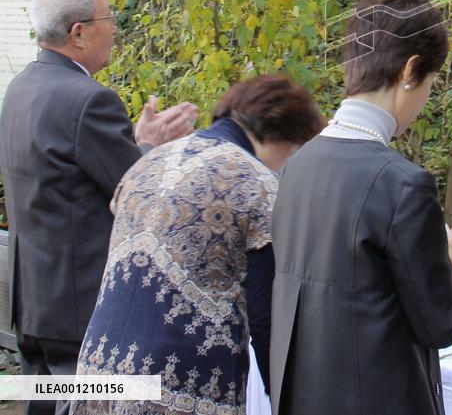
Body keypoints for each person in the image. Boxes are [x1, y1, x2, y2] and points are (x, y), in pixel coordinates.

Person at [269, 0, 452, 415]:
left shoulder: (298, 165)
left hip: (303, 397)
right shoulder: (402, 185)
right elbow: (440, 323)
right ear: (410, 71)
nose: (426, 98)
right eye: (431, 82)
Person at [0, 0, 197, 415]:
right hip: (78, 308)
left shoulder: (22, 87)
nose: (114, 30)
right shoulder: (89, 100)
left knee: (42, 402)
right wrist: (150, 147)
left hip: (33, 297)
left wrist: (137, 142)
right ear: (78, 33)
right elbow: (137, 191)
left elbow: (71, 172)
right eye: (108, 19)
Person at [73, 74, 325, 415]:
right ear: (290, 139)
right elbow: (266, 320)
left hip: (97, 366)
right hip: (179, 382)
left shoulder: (147, 163)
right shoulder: (257, 185)